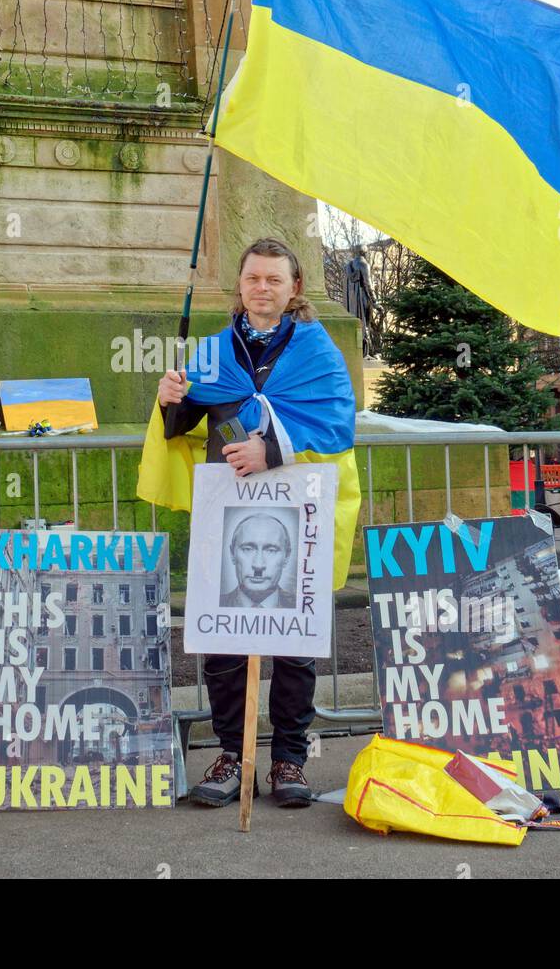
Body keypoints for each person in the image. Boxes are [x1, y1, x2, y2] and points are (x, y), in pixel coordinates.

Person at [147, 237, 359, 809]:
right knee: (223, 643)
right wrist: (170, 397)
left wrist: (273, 451)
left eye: (273, 279)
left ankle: (289, 758)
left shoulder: (318, 352)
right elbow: (183, 419)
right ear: (239, 287)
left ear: (294, 289)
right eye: (252, 279)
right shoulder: (214, 351)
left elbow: (338, 425)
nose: (262, 288)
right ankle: (230, 756)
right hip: (229, 511)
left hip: (296, 510)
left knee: (294, 644)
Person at [220, 513, 295, 609]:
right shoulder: (211, 604)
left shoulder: (301, 606)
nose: (258, 565)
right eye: (247, 549)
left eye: (271, 550)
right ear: (232, 554)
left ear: (287, 557)